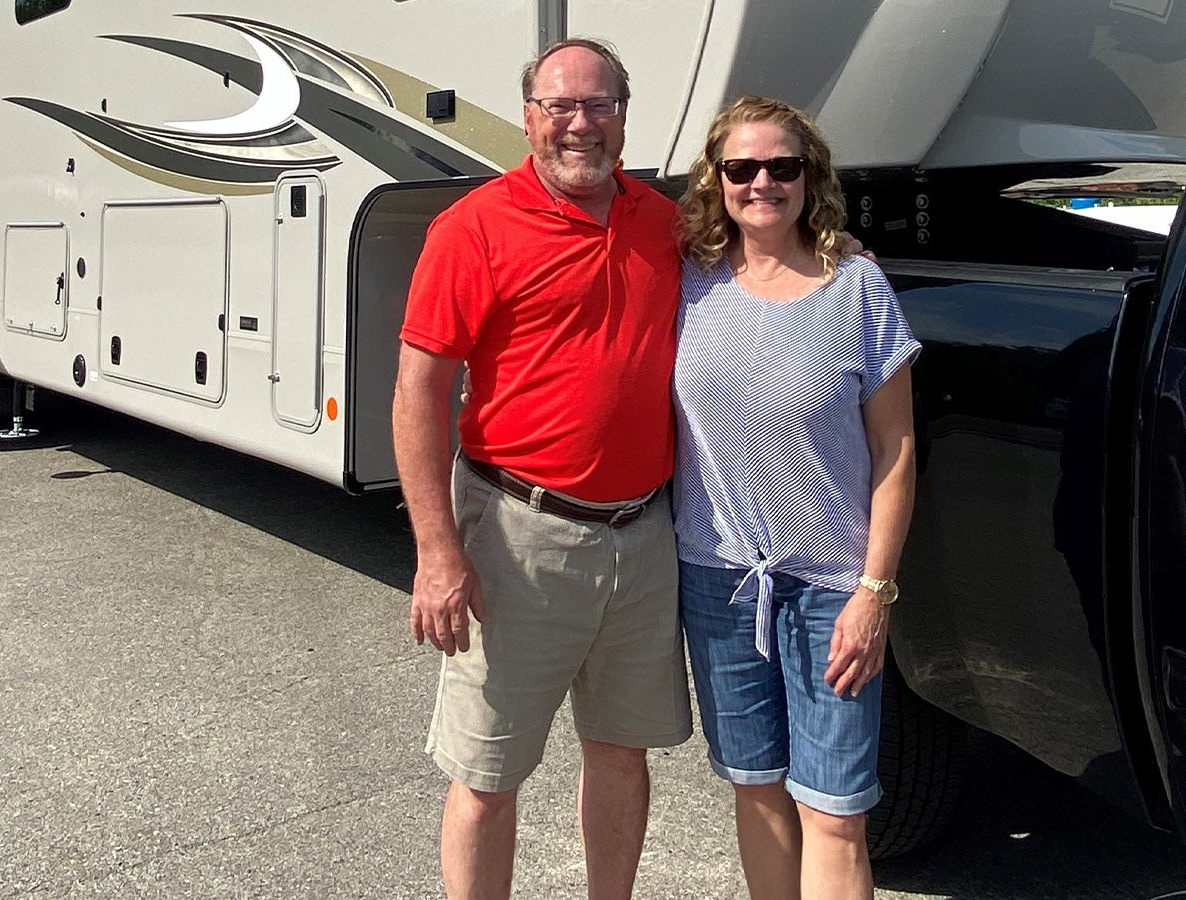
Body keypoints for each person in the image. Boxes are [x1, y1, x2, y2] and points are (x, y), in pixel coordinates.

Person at [392, 38, 692, 900]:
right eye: (559, 107)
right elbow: (419, 393)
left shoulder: (659, 223)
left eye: (598, 105)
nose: (579, 126)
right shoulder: (473, 229)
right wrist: (437, 553)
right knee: (488, 777)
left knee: (622, 753)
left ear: (624, 117)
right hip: (517, 536)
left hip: (642, 536)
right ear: (528, 117)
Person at [672, 96, 920, 899]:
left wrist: (873, 591)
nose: (763, 184)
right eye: (742, 169)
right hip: (719, 583)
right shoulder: (687, 281)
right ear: (717, 180)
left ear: (812, 178)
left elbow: (896, 448)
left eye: (784, 167)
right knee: (758, 789)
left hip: (832, 594)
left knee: (837, 812)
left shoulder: (858, 288)